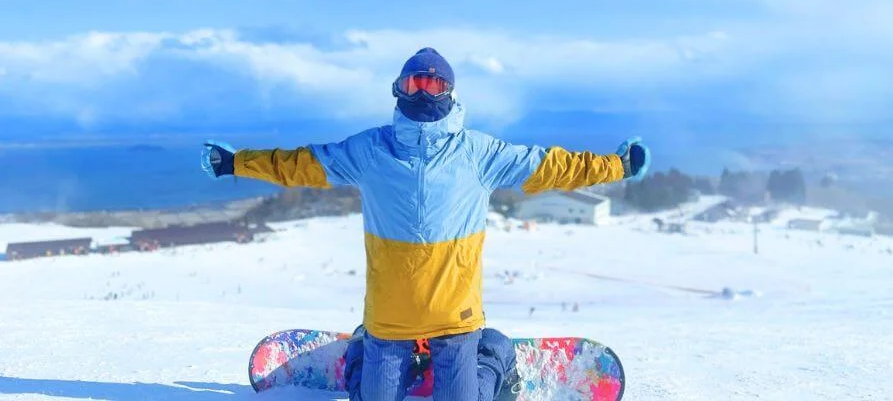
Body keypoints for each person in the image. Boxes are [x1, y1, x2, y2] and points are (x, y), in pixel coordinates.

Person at [201, 47, 650, 400]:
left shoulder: (478, 154)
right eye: (414, 83)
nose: (422, 93)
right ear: (397, 91)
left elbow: (551, 165)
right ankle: (360, 348)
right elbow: (299, 164)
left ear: (450, 93)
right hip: (389, 319)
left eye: (434, 84)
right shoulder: (370, 151)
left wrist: (617, 165)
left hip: (455, 318)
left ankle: (493, 351)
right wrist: (236, 162)